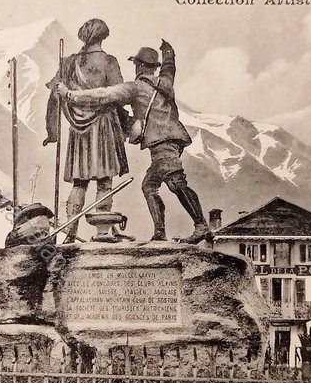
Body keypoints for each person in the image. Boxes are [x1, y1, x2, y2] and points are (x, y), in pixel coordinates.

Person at [56, 40, 212, 244]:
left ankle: (201, 226)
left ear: (139, 66)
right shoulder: (165, 82)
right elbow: (169, 68)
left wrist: (70, 94)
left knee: (176, 182)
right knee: (149, 186)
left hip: (162, 144)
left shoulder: (135, 88)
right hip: (174, 141)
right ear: (153, 67)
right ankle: (159, 234)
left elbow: (103, 94)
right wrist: (168, 52)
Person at [44, 18, 130, 244]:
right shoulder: (109, 62)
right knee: (104, 181)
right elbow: (118, 95)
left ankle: (70, 233)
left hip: (78, 130)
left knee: (79, 182)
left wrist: (52, 131)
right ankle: (102, 232)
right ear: (103, 37)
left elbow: (54, 96)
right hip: (104, 126)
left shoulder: (69, 62)